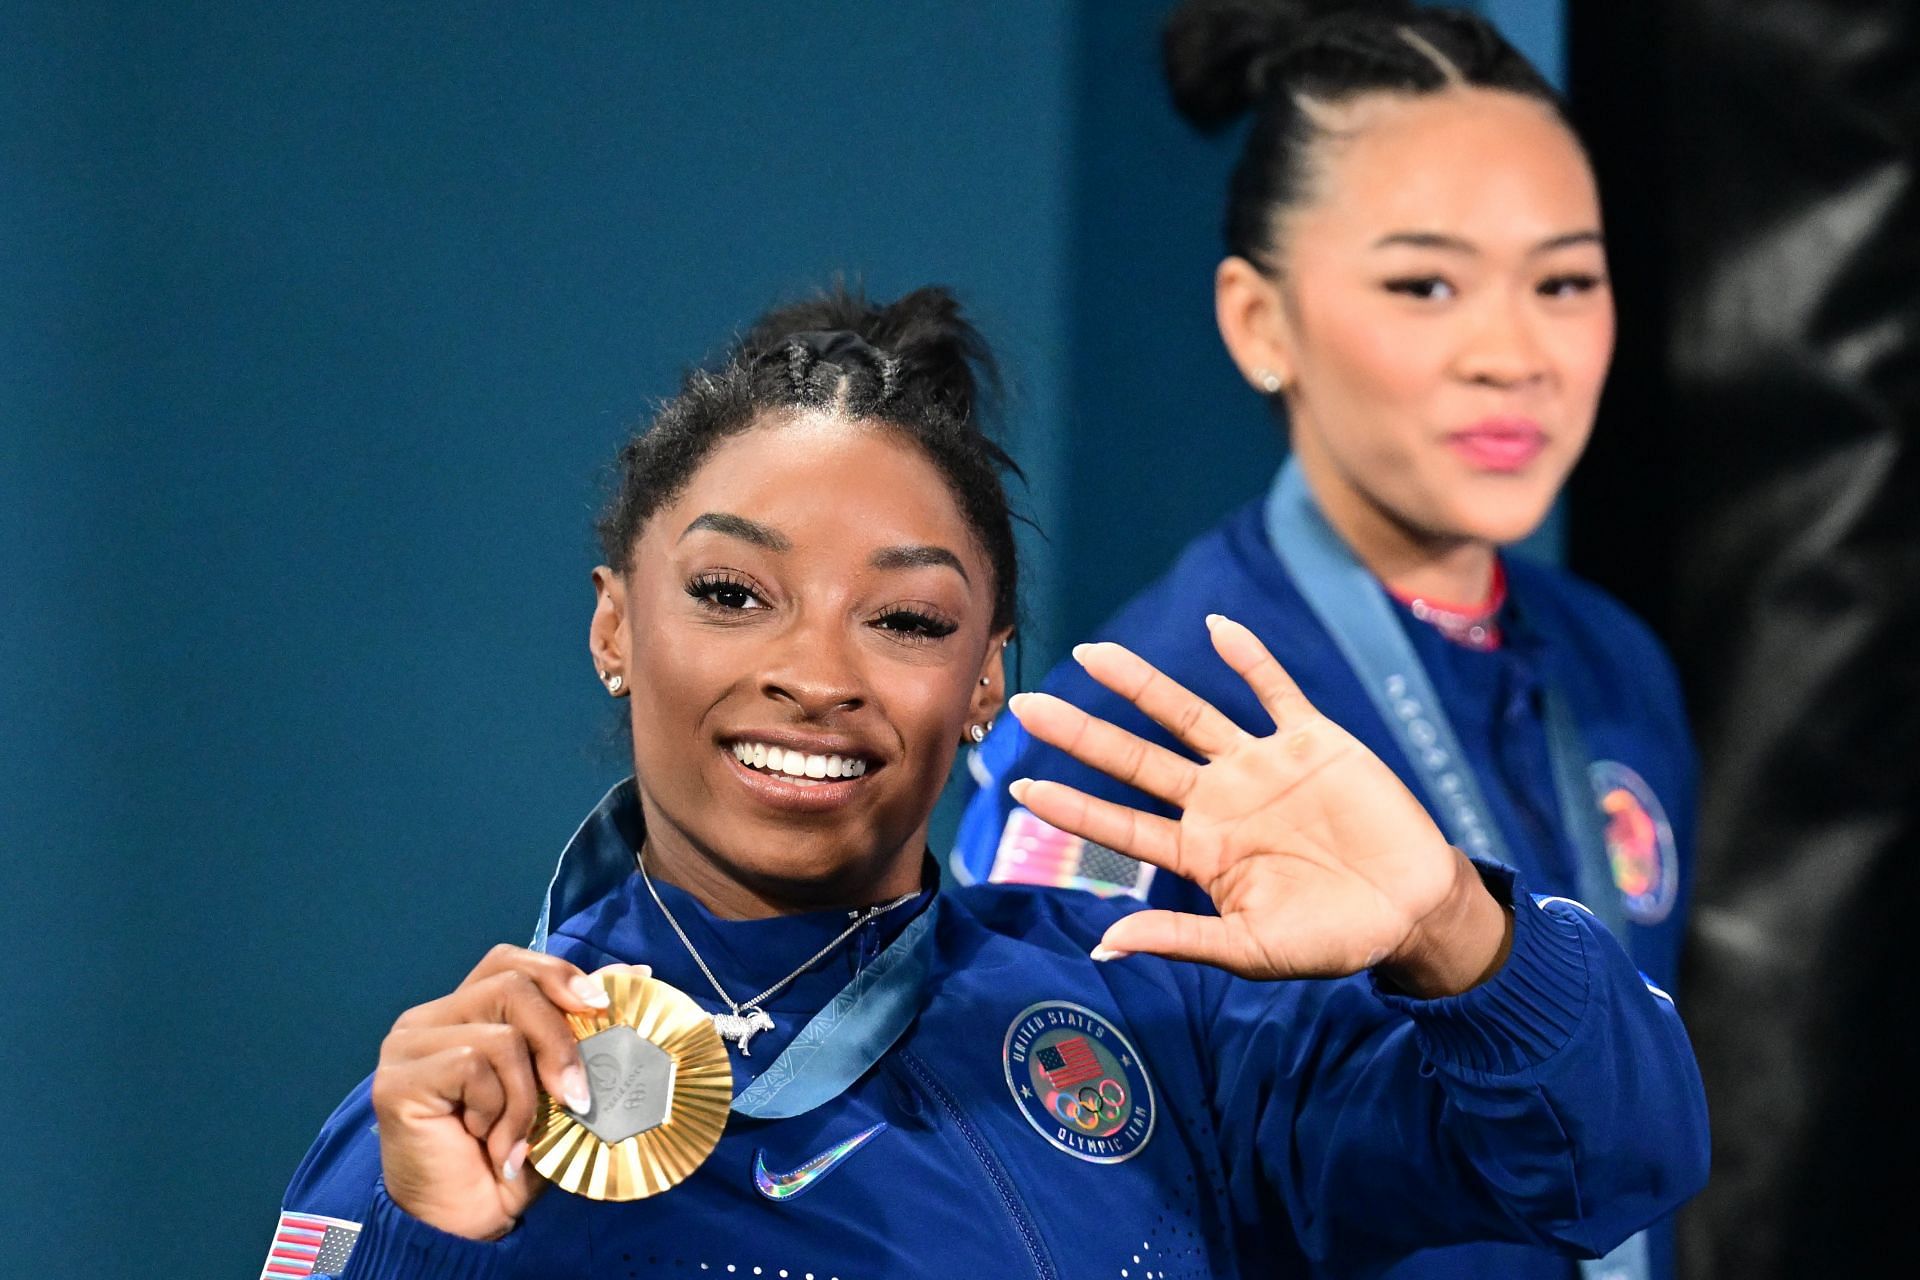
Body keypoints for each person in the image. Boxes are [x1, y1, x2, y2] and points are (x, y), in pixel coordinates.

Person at [267, 286, 1706, 1280]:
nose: (816, 672)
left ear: (986, 688)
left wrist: (1460, 928)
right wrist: (427, 1242)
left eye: (903, 620)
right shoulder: (472, 1102)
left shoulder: (1157, 1016)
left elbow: (1622, 1162)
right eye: (732, 593)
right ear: (612, 629)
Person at [956, 8, 1697, 1274]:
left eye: (1564, 280)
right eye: (1425, 284)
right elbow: (1037, 1191)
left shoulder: (1614, 665)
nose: (1513, 354)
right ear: (1260, 323)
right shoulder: (1141, 719)